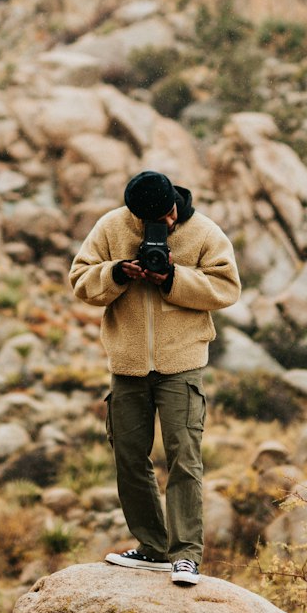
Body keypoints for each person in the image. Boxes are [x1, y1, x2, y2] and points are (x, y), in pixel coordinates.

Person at [69, 169, 241, 586]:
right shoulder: (111, 227)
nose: (160, 226)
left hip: (181, 364)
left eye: (165, 217)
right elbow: (79, 280)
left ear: (174, 205)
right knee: (129, 457)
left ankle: (185, 557)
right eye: (148, 220)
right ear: (133, 213)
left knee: (184, 455)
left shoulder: (202, 231)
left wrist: (173, 279)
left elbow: (227, 287)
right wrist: (116, 273)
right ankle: (153, 548)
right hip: (126, 365)